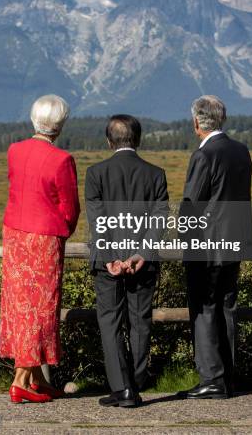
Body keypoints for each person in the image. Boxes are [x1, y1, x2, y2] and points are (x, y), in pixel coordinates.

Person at [0, 94, 80, 404]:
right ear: (59, 126)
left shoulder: (14, 150)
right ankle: (22, 381)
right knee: (41, 308)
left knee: (20, 304)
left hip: (15, 236)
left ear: (35, 119)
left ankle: (34, 379)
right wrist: (63, 229)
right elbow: (70, 208)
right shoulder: (62, 160)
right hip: (44, 238)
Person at [85, 115, 168, 408]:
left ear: (110, 141)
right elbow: (160, 219)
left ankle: (122, 388)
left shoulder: (96, 173)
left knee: (110, 322)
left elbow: (98, 221)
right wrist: (141, 254)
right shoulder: (156, 174)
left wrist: (110, 257)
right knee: (140, 321)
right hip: (143, 263)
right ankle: (136, 383)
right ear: (138, 139)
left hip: (107, 263)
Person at [178, 95, 252, 400]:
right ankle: (227, 376)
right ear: (222, 118)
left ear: (197, 122)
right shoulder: (241, 151)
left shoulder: (203, 155)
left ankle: (211, 378)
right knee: (226, 307)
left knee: (204, 307)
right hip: (235, 240)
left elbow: (191, 205)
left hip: (207, 245)